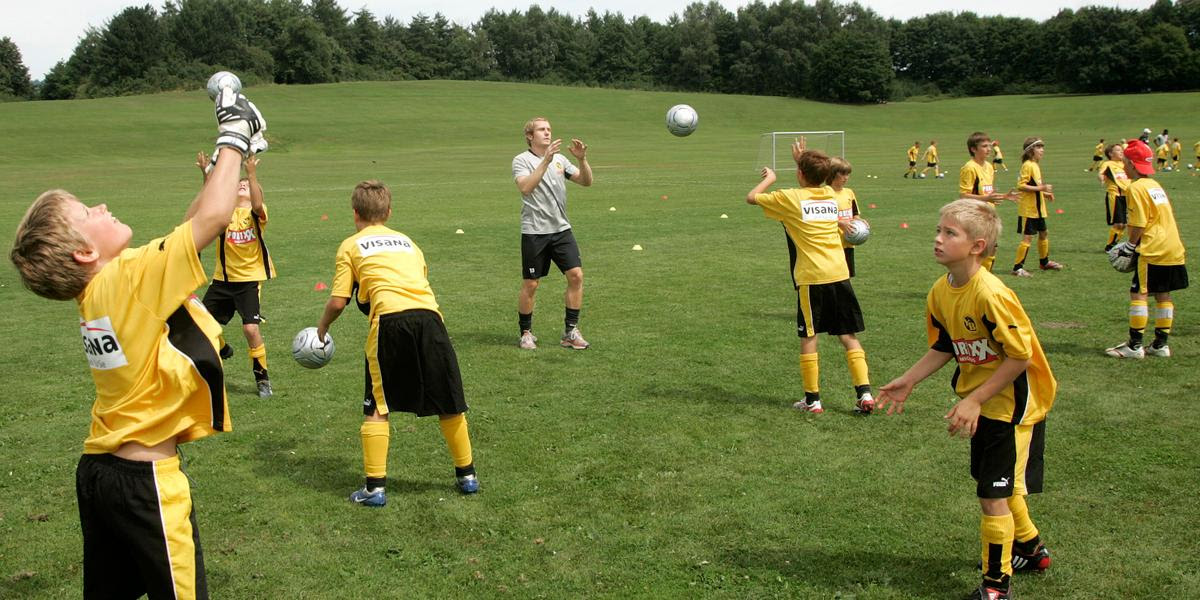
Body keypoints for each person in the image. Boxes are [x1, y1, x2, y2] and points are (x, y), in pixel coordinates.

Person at [8, 87, 264, 599]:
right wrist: (234, 132)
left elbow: (191, 224)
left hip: (101, 472)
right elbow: (211, 222)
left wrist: (224, 164)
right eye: (88, 212)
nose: (101, 206)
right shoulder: (124, 283)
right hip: (145, 483)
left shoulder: (105, 290)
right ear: (84, 253)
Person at [876, 198, 1056, 600]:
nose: (937, 239)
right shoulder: (941, 292)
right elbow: (946, 344)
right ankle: (1031, 550)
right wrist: (909, 380)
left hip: (1013, 406)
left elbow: (1020, 356)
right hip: (985, 401)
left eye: (949, 233)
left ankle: (996, 587)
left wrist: (975, 399)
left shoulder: (991, 294)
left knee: (993, 494)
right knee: (998, 485)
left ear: (977, 246)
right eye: (938, 231)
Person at [315, 180, 480, 506]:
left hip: (389, 322)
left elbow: (337, 302)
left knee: (377, 404)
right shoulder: (409, 242)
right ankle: (467, 476)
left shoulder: (350, 245)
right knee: (449, 400)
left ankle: (375, 490)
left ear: (354, 213)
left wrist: (321, 329)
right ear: (388, 212)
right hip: (432, 321)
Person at [745, 139, 875, 415]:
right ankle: (865, 394)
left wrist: (770, 178)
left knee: (809, 336)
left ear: (800, 174)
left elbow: (752, 197)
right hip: (839, 272)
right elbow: (814, 183)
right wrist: (802, 160)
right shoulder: (830, 195)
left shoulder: (790, 198)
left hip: (811, 277)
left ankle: (813, 400)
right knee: (847, 334)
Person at [196, 152, 275, 397]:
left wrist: (251, 174)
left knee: (251, 329)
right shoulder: (225, 214)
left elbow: (259, 204)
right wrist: (206, 174)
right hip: (223, 279)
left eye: (247, 186)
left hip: (248, 280)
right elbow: (210, 202)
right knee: (201, 322)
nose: (242, 186)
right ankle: (222, 348)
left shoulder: (256, 214)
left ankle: (262, 380)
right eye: (238, 184)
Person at [512, 117, 594, 350]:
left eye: (549, 129)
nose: (547, 133)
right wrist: (545, 161)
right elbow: (526, 188)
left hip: (561, 230)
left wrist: (582, 159)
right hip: (534, 232)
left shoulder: (560, 159)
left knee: (576, 276)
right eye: (541, 130)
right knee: (531, 284)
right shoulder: (521, 160)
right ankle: (526, 332)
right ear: (530, 135)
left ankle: (570, 332)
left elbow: (586, 181)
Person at [1104, 140, 1188, 359]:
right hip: (1173, 246)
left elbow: (1139, 223)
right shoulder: (1154, 184)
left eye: (1125, 161)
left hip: (1153, 248)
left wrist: (1130, 247)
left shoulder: (1135, 187)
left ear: (1131, 163)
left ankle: (1134, 346)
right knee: (1163, 293)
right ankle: (1160, 345)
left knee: (1138, 292)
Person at [959, 132, 1017, 273]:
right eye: (984, 146)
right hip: (974, 215)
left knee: (991, 249)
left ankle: (982, 279)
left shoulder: (989, 167)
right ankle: (967, 282)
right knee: (976, 251)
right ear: (973, 149)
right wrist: (986, 199)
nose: (989, 149)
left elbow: (986, 193)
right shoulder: (969, 168)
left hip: (988, 215)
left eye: (989, 146)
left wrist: (1003, 196)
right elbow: (963, 196)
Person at [1011, 137, 1063, 277]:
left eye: (1042, 147)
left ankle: (1044, 262)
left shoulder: (1035, 165)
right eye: (1039, 147)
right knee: (1027, 238)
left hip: (1039, 208)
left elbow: (1033, 187)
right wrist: (1042, 187)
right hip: (1029, 209)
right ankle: (1017, 268)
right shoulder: (1027, 165)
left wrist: (1044, 193)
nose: (1042, 150)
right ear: (1030, 151)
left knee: (1044, 233)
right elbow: (1021, 185)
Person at [828, 157, 863, 277]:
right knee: (833, 277)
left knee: (846, 276)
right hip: (833, 244)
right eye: (842, 174)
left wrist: (860, 223)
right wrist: (840, 223)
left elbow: (855, 214)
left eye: (848, 174)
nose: (846, 177)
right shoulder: (825, 194)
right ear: (832, 174)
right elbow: (823, 218)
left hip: (848, 243)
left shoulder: (849, 193)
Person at [1098, 143, 1130, 251]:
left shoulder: (1125, 164)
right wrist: (1101, 178)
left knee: (1124, 224)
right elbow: (1101, 173)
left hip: (1126, 196)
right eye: (1118, 150)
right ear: (1111, 153)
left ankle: (1113, 245)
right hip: (1115, 195)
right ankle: (1109, 247)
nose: (1121, 152)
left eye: (1121, 150)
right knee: (1118, 223)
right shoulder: (1108, 163)